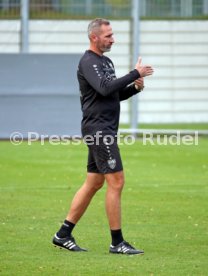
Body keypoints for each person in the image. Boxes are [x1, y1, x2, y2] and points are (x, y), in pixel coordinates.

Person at [52, 18, 153, 255]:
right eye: (108, 35)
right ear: (94, 37)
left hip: (104, 128)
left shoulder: (106, 61)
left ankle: (63, 234)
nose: (113, 39)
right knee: (116, 182)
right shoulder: (88, 61)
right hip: (99, 130)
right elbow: (105, 88)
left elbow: (111, 96)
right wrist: (134, 73)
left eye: (112, 34)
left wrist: (135, 87)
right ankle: (117, 242)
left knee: (94, 182)